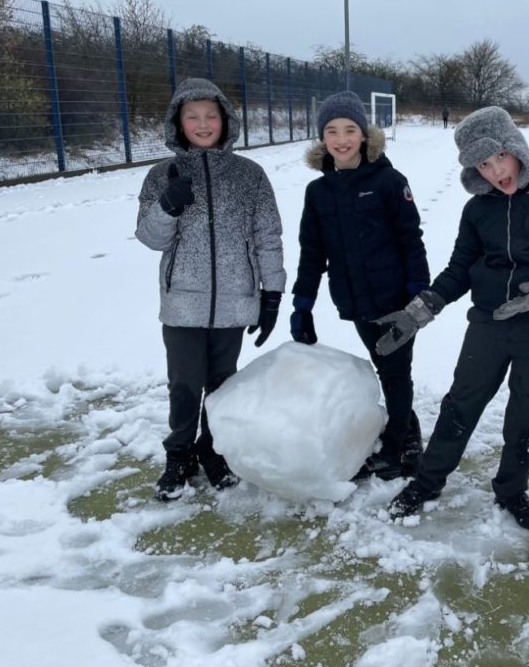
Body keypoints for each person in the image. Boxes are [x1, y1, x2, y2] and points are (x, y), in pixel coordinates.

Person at [380, 106, 529, 530]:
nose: (495, 171)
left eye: (499, 157)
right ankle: (427, 482)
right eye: (482, 164)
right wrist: (425, 305)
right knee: (461, 403)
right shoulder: (478, 208)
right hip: (489, 320)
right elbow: (462, 265)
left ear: (514, 147)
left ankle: (512, 489)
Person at [136, 77, 286, 501]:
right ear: (178, 123)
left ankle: (213, 449)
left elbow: (267, 236)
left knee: (223, 384)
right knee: (184, 383)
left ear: (225, 120)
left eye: (210, 116)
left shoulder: (249, 176)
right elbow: (150, 238)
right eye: (192, 116)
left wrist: (271, 294)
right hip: (183, 302)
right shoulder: (161, 176)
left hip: (235, 302)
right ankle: (179, 453)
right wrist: (168, 206)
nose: (203, 124)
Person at [289, 91, 430, 481]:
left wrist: (419, 295)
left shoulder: (389, 181)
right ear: (322, 139)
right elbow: (311, 253)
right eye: (332, 131)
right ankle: (409, 429)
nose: (341, 139)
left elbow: (410, 239)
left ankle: (398, 444)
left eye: (350, 129)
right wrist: (302, 304)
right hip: (354, 300)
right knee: (385, 369)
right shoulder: (318, 193)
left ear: (364, 135)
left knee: (396, 373)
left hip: (396, 301)